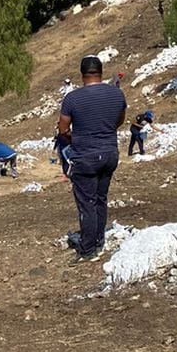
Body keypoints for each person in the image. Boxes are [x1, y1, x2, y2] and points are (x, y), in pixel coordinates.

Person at [58, 54, 126, 262]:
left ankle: (87, 248)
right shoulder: (116, 93)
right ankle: (99, 240)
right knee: (100, 198)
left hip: (85, 156)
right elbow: (120, 119)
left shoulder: (73, 98)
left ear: (82, 75)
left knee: (86, 202)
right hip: (109, 153)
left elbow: (63, 128)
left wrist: (76, 137)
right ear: (101, 72)